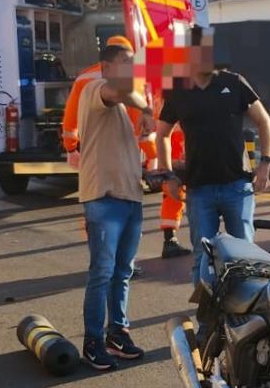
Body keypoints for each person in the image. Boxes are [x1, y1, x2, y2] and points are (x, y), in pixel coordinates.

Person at [62, 37, 191, 259]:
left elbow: (70, 116)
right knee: (164, 182)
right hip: (139, 144)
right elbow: (142, 104)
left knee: (100, 201)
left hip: (105, 149)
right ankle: (168, 238)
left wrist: (71, 147)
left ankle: (103, 251)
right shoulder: (136, 78)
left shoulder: (85, 78)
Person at [157, 28, 270, 264]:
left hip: (237, 186)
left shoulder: (233, 82)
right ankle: (208, 302)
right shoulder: (177, 91)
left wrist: (265, 163)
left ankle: (244, 301)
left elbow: (264, 121)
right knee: (204, 257)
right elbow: (162, 135)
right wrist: (167, 174)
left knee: (244, 256)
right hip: (199, 189)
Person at [76, 41, 151, 370]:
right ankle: (92, 340)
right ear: (106, 67)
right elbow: (122, 89)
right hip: (104, 199)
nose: (130, 68)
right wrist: (147, 109)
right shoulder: (95, 89)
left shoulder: (121, 107)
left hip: (130, 197)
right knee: (102, 273)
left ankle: (116, 332)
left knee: (122, 273)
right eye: (125, 62)